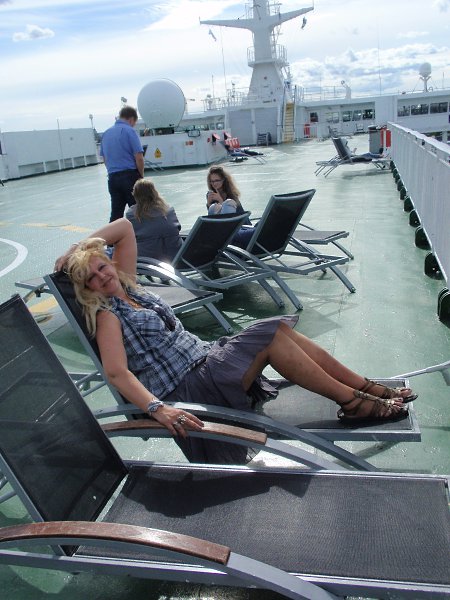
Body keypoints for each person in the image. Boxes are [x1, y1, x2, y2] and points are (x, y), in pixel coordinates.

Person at [54, 219, 415, 463]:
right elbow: (116, 373)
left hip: (206, 361)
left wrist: (77, 249)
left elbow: (124, 228)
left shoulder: (128, 285)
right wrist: (158, 409)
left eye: (102, 266)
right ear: (87, 289)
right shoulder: (108, 315)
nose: (101, 277)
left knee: (279, 331)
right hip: (190, 387)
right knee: (271, 336)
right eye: (91, 277)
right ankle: (353, 401)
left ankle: (364, 388)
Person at [100, 106, 145, 222]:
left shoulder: (106, 133)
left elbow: (104, 158)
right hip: (130, 177)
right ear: (131, 119)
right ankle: (140, 233)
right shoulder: (129, 131)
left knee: (116, 214)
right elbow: (139, 157)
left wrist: (112, 172)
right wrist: (141, 176)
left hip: (113, 178)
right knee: (138, 211)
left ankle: (112, 234)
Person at [126, 178, 182, 262]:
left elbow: (131, 238)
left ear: (135, 195)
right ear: (154, 192)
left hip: (148, 259)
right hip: (176, 255)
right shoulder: (168, 209)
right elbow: (178, 228)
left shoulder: (132, 214)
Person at [205, 166, 254, 248]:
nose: (214, 183)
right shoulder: (210, 195)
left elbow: (234, 215)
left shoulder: (231, 194)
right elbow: (213, 219)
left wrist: (221, 200)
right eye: (212, 181)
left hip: (240, 225)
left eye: (217, 180)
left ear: (223, 180)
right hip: (225, 230)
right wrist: (209, 204)